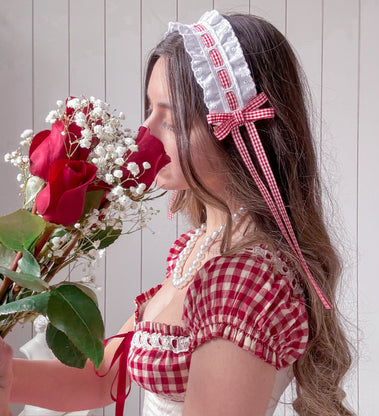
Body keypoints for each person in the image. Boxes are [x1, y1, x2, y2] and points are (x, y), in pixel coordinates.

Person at [6, 10, 354, 416]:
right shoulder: (197, 249)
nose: (145, 131)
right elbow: (102, 379)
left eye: (169, 118)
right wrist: (6, 374)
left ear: (235, 130)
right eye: (150, 109)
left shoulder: (242, 278)